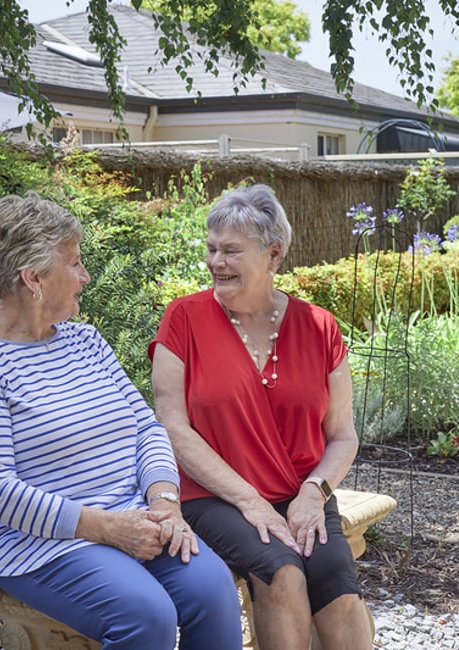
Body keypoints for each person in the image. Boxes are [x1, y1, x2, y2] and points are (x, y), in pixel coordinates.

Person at [0, 191, 242, 650]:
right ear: (33, 278)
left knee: (213, 591)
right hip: (39, 546)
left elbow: (146, 429)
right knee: (147, 616)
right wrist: (104, 527)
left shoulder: (86, 342)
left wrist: (164, 501)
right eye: (75, 263)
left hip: (135, 517)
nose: (85, 276)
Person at [149, 184, 373, 650]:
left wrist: (314, 492)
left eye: (231, 251)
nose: (216, 262)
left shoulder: (320, 327)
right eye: (211, 249)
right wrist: (249, 501)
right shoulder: (183, 318)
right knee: (283, 574)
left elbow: (342, 436)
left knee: (338, 588)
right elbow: (172, 427)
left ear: (273, 255)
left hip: (300, 493)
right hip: (213, 495)